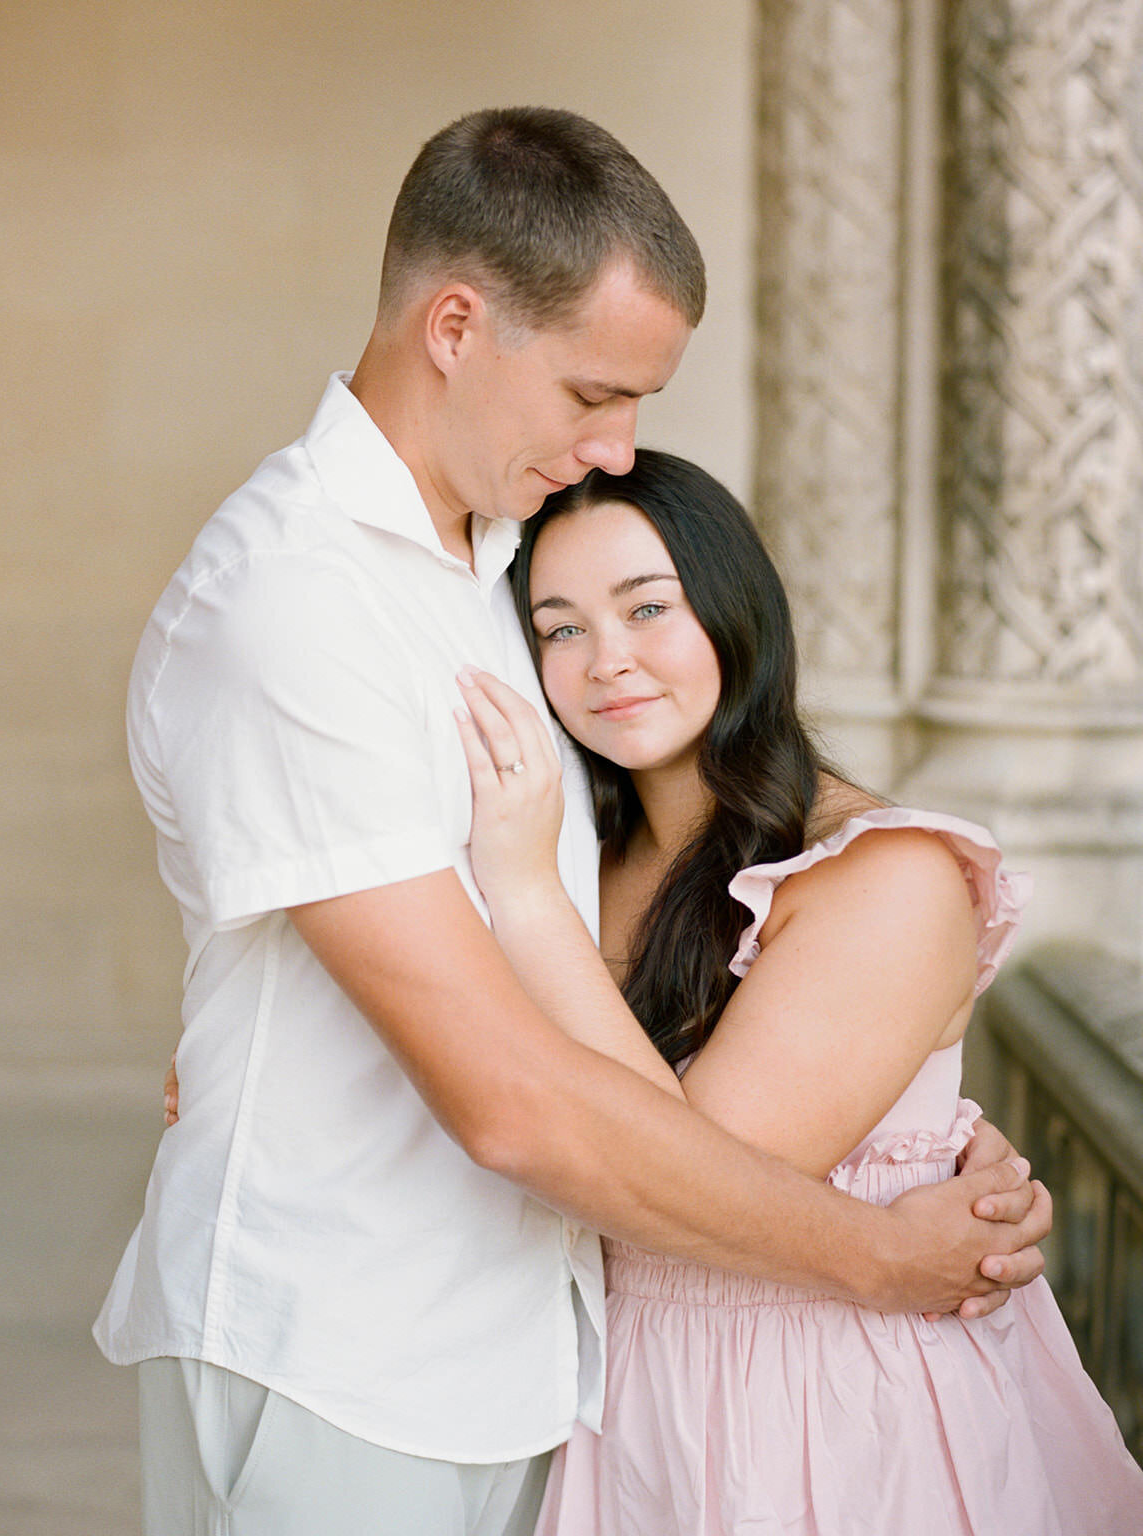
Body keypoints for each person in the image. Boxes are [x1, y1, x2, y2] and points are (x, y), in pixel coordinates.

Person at [97, 107, 1051, 1536]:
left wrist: (919, 1134)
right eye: (597, 394)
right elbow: (509, 1101)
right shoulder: (296, 600)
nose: (616, 450)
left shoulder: (490, 564)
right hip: (346, 1356)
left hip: (535, 1367)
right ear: (460, 325)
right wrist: (876, 1252)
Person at [452, 449, 1143, 1536]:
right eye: (561, 627)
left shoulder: (885, 871)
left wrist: (527, 897)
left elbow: (698, 1180)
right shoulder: (578, 853)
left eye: (647, 608)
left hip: (836, 1413)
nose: (607, 662)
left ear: (736, 612)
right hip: (622, 1408)